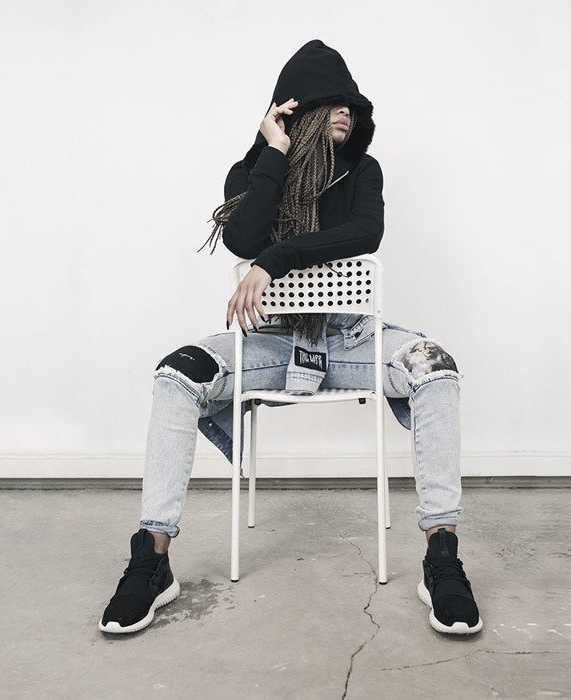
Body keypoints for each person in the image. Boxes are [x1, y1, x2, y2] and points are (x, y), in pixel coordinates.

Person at [99, 39, 482, 636]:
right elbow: (242, 237)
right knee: (176, 374)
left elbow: (365, 234)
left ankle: (442, 553)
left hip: (352, 341)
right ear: (294, 111)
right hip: (272, 344)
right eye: (332, 102)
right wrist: (273, 153)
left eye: (352, 104)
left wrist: (276, 259)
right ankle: (152, 557)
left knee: (437, 368)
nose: (346, 111)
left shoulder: (363, 172)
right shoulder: (252, 173)